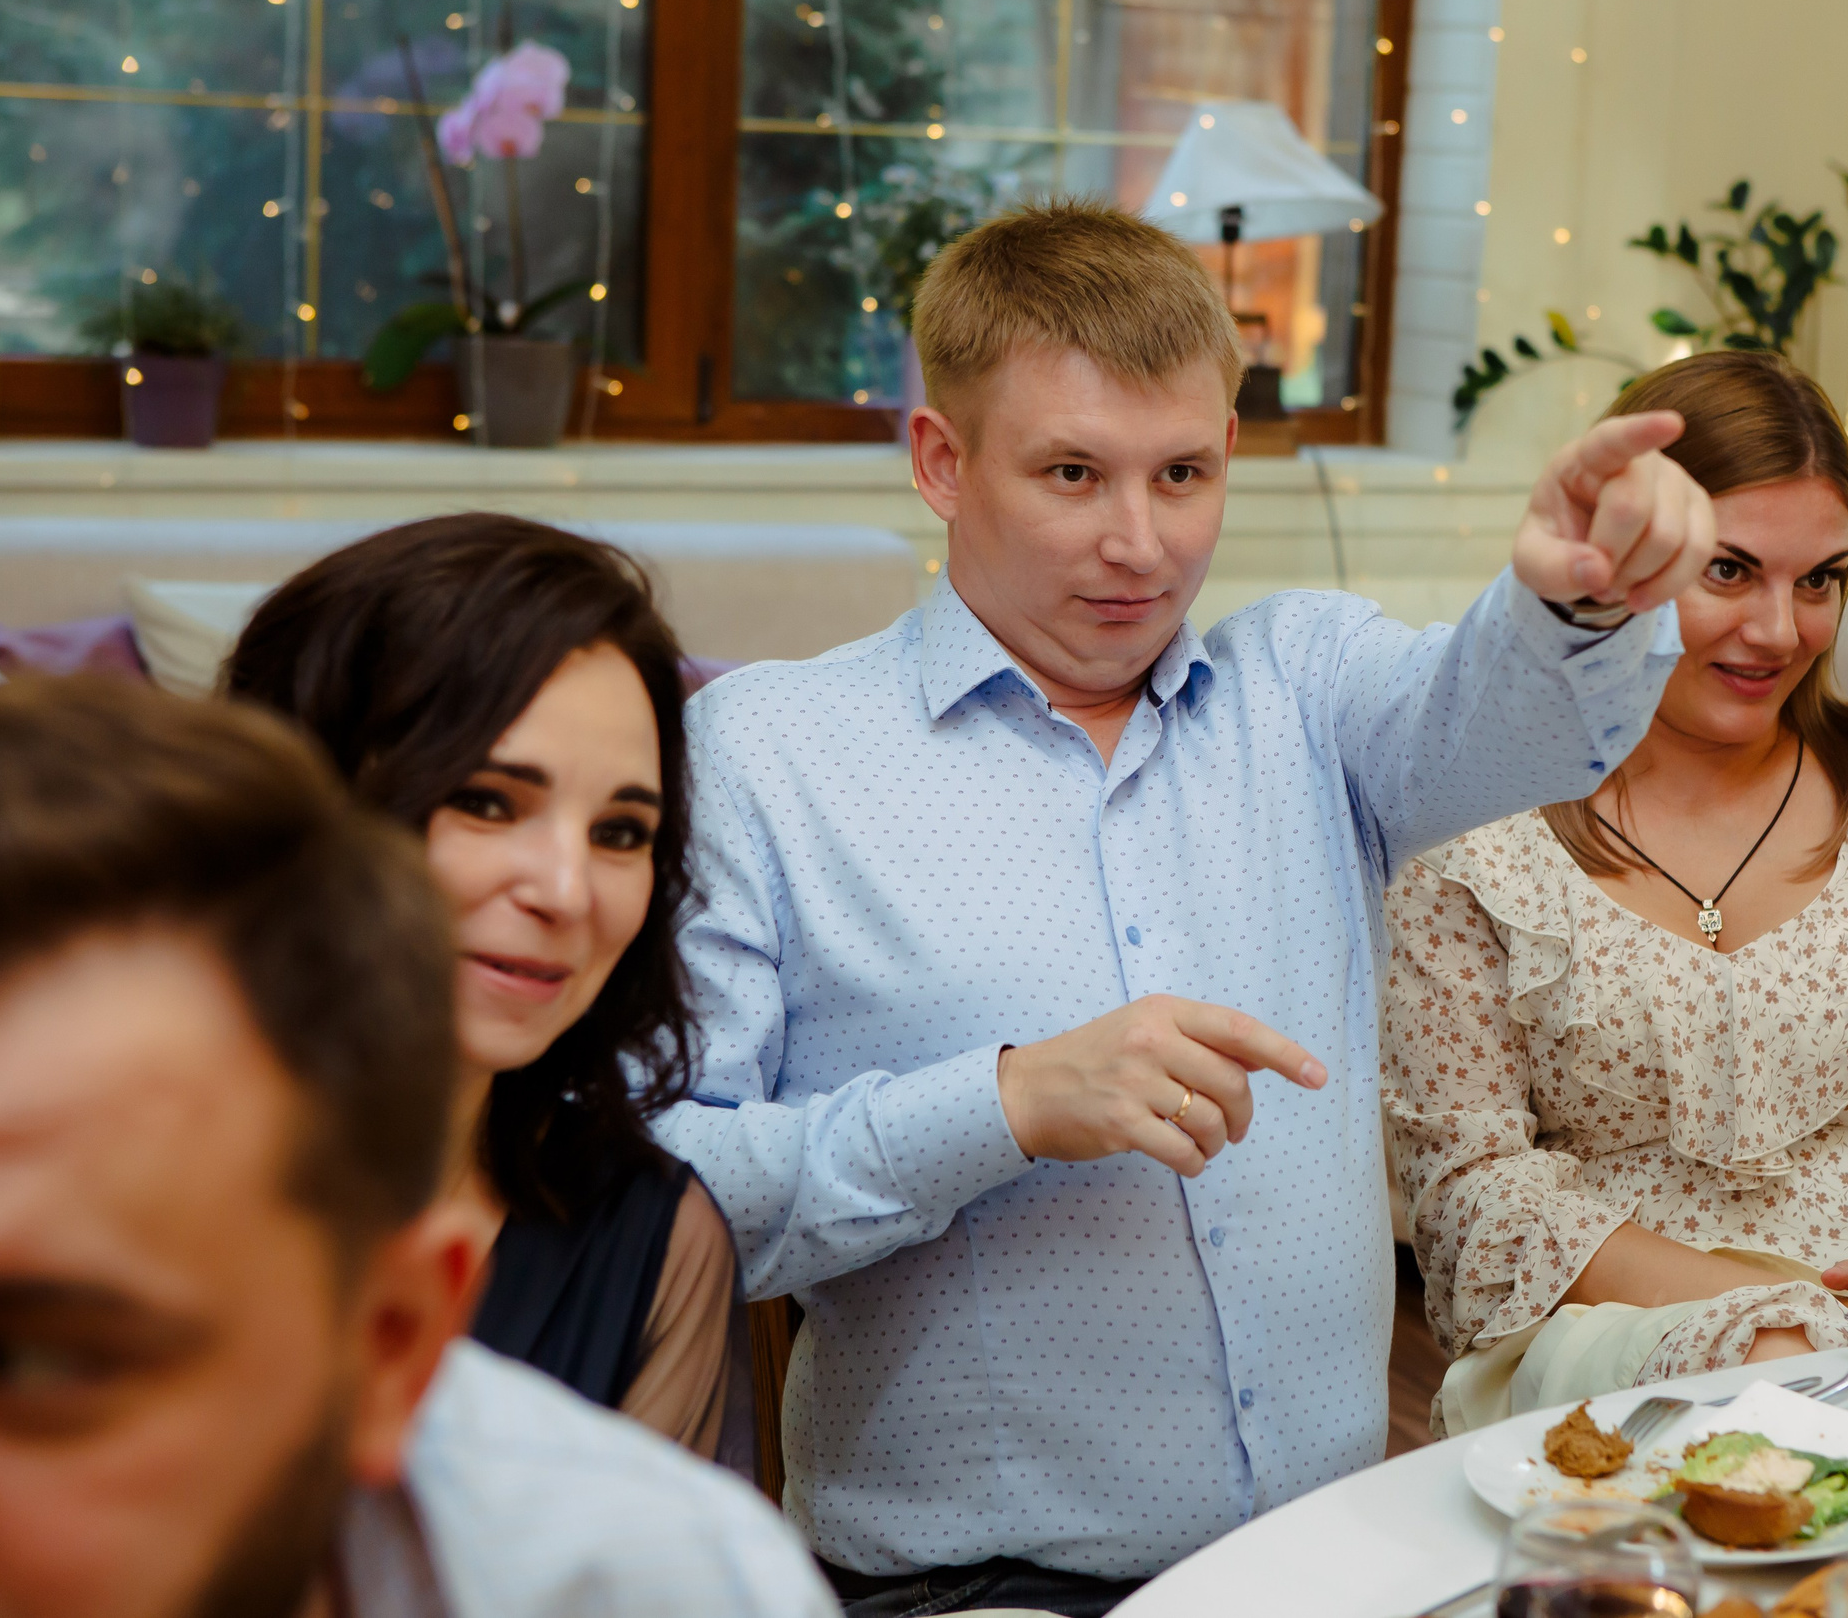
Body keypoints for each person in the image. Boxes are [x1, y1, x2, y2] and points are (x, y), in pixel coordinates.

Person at [658, 197, 1715, 1616]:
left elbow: (1507, 725)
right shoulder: (770, 757)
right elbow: (676, 1197)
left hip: (1345, 1553)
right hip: (976, 1585)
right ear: (941, 459)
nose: (1141, 544)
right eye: (1075, 474)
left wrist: (1578, 603)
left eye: (1184, 475)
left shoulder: (1305, 685)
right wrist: (1008, 1102)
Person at [0, 676, 834, 1618]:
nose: (560, 889)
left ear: (390, 1343)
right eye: (487, 802)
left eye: (28, 1362)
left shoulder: (645, 1575)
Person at [1379, 350, 1848, 1429]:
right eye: (1729, 572)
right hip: (1627, 1337)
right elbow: (1468, 1186)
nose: (1780, 631)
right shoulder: (1472, 828)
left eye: (1819, 579)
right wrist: (1782, 1323)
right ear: (1618, 559)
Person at [222, 513, 749, 1468]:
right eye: (487, 801)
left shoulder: (657, 1241)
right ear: (314, 800)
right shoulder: (97, 1169)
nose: (563, 889)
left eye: (621, 831)